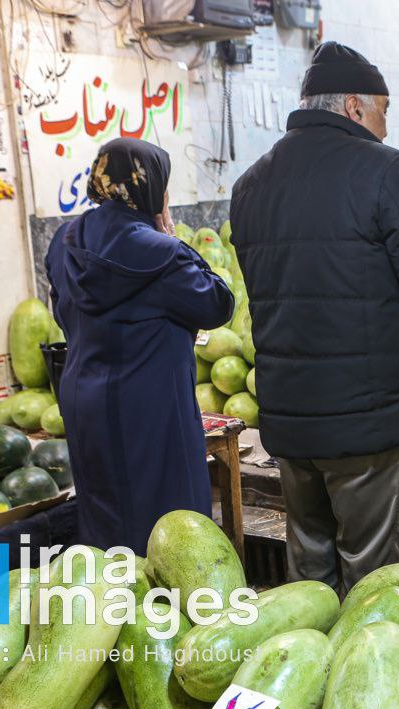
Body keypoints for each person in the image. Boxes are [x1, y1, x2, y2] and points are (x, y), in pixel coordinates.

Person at [229, 43, 399, 594]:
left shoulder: (250, 184)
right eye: (383, 108)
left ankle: (305, 671)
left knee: (308, 577)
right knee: (373, 582)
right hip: (367, 423)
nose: (385, 123)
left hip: (290, 418)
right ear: (354, 106)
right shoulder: (386, 171)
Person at [46, 138, 235, 556]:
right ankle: (170, 611)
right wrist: (170, 235)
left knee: (105, 512)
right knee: (169, 519)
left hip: (84, 400)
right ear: (151, 191)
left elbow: (62, 310)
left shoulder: (65, 239)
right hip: (150, 406)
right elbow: (217, 304)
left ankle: (113, 604)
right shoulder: (160, 252)